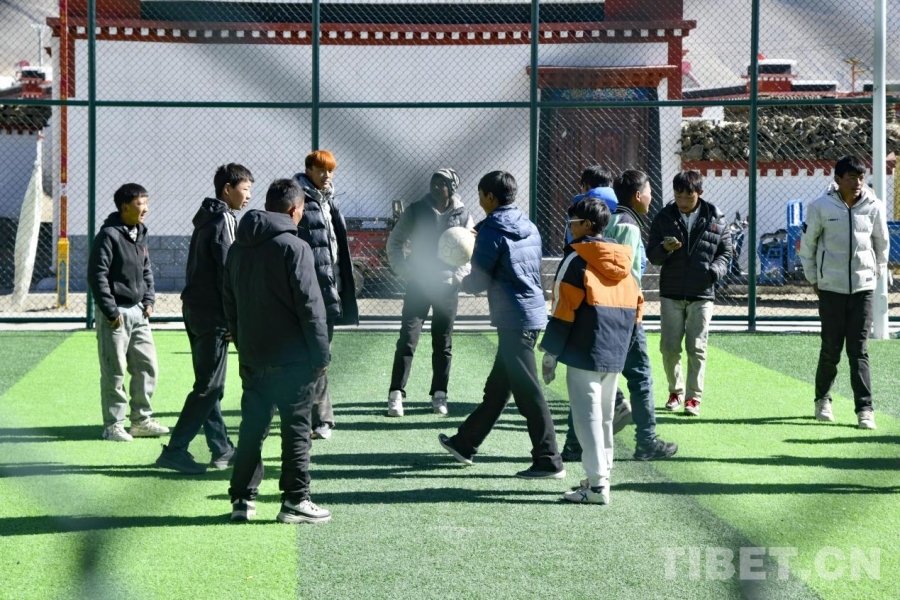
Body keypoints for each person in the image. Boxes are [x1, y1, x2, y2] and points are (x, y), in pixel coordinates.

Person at [438, 171, 565, 479]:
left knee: (528, 392)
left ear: (490, 197)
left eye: (481, 195)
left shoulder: (493, 231)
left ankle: (549, 459)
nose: (480, 200)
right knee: (497, 389)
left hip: (513, 319)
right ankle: (465, 443)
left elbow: (479, 279)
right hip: (531, 313)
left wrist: (459, 279)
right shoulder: (528, 225)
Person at [224, 179, 332, 524]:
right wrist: (321, 356)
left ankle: (242, 499)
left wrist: (243, 342)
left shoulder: (237, 248)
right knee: (296, 429)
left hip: (253, 356)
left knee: (252, 428)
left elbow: (229, 301)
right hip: (292, 359)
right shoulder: (295, 247)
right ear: (295, 209)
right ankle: (296, 500)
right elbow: (310, 306)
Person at [559, 170, 679, 462]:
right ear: (638, 196)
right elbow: (626, 273)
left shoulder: (606, 219)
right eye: (649, 191)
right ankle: (646, 442)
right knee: (640, 377)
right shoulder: (630, 226)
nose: (652, 196)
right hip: (623, 312)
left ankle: (574, 445)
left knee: (588, 377)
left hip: (595, 310)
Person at [540, 197, 642, 504]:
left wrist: (550, 353)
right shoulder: (624, 260)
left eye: (572, 222)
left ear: (586, 224)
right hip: (615, 349)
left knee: (587, 419)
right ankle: (601, 478)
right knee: (605, 417)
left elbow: (562, 309)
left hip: (584, 349)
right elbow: (638, 308)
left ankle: (597, 486)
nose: (568, 227)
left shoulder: (576, 258)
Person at [156, 164, 254, 474]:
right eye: (245, 189)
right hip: (213, 314)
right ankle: (175, 450)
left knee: (208, 383)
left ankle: (221, 449)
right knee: (210, 387)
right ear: (227, 189)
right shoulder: (223, 220)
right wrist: (235, 318)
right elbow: (229, 271)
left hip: (195, 309)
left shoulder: (208, 218)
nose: (249, 195)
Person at [798, 155, 889, 430]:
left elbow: (881, 242)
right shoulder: (819, 207)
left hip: (863, 289)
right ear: (838, 179)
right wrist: (814, 278)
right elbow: (808, 246)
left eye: (861, 177)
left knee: (859, 350)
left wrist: (876, 274)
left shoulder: (874, 206)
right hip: (831, 289)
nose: (858, 183)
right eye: (851, 178)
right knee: (831, 348)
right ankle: (822, 400)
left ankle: (865, 410)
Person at [385, 168, 473, 417]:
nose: (435, 187)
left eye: (441, 183)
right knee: (407, 339)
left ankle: (439, 395)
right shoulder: (415, 210)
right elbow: (395, 241)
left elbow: (471, 249)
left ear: (451, 188)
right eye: (433, 182)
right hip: (418, 286)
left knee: (443, 343)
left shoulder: (463, 215)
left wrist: (458, 276)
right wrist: (405, 270)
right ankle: (395, 395)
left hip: (447, 288)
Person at [88, 183, 169, 441]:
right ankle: (113, 426)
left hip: (139, 313)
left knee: (147, 366)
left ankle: (141, 421)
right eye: (140, 204)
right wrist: (111, 311)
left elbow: (146, 269)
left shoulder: (140, 232)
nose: (146, 209)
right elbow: (97, 275)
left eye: (146, 203)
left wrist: (149, 299)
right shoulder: (108, 236)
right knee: (115, 371)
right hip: (115, 315)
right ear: (125, 207)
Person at [646, 170, 731, 417]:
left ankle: (693, 398)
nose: (682, 201)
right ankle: (675, 391)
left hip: (702, 293)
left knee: (697, 347)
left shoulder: (717, 218)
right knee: (669, 347)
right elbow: (653, 256)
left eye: (688, 196)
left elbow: (726, 253)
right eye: (678, 196)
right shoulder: (664, 217)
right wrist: (664, 248)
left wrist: (713, 272)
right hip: (671, 292)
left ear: (699, 193)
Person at [293, 150, 359, 441]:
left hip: (331, 291)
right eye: (321, 170)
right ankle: (318, 418)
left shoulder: (329, 200)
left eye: (331, 170)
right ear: (308, 170)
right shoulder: (296, 200)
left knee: (320, 354)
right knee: (313, 354)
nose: (327, 175)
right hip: (307, 292)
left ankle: (317, 418)